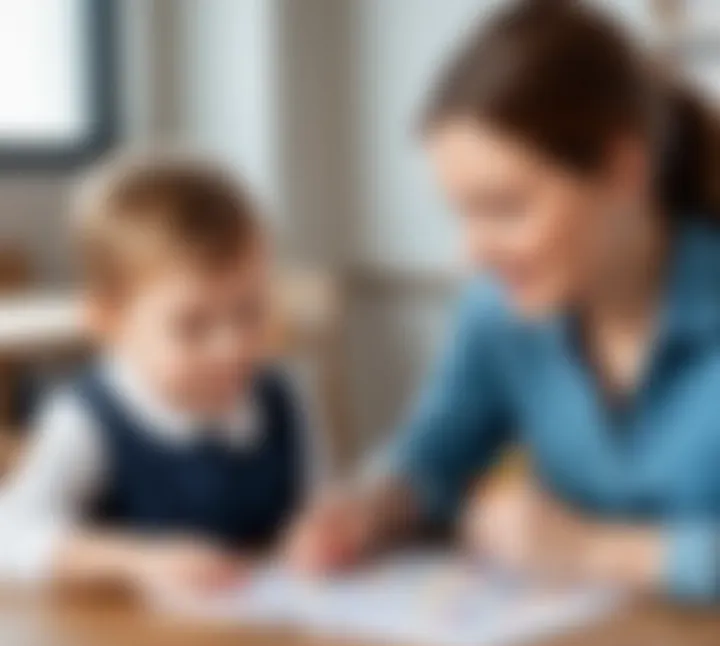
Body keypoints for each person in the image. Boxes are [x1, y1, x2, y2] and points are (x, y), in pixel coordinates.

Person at [286, 0, 720, 603]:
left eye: (505, 208)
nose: (472, 254)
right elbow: (433, 452)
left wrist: (596, 551)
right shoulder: (499, 308)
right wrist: (373, 506)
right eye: (462, 214)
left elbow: (586, 551)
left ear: (624, 170)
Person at [0, 154, 314, 595]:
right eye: (193, 326)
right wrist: (137, 561)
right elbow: (10, 537)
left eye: (250, 311)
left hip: (269, 635)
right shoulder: (89, 420)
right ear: (110, 320)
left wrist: (322, 530)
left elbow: (313, 503)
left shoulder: (281, 398)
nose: (232, 346)